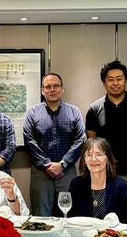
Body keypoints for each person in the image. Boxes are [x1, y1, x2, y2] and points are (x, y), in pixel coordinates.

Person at [86, 60, 127, 195]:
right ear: (104, 83)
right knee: (105, 213)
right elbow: (91, 142)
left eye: (119, 79)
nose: (115, 83)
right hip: (104, 172)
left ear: (126, 81)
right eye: (110, 79)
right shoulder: (94, 109)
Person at [23, 73, 85, 216]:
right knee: (41, 216)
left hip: (67, 172)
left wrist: (62, 164)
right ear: (42, 91)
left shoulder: (74, 112)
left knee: (69, 214)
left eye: (56, 86)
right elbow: (29, 140)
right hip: (41, 173)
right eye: (48, 87)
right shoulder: (32, 113)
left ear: (62, 89)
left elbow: (80, 140)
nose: (52, 89)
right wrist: (47, 164)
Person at [67, 138, 127, 224]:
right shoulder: (76, 184)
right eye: (89, 155)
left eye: (98, 154)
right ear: (84, 160)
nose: (93, 159)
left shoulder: (122, 187)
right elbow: (71, 219)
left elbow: (126, 223)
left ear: (108, 158)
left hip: (114, 236)